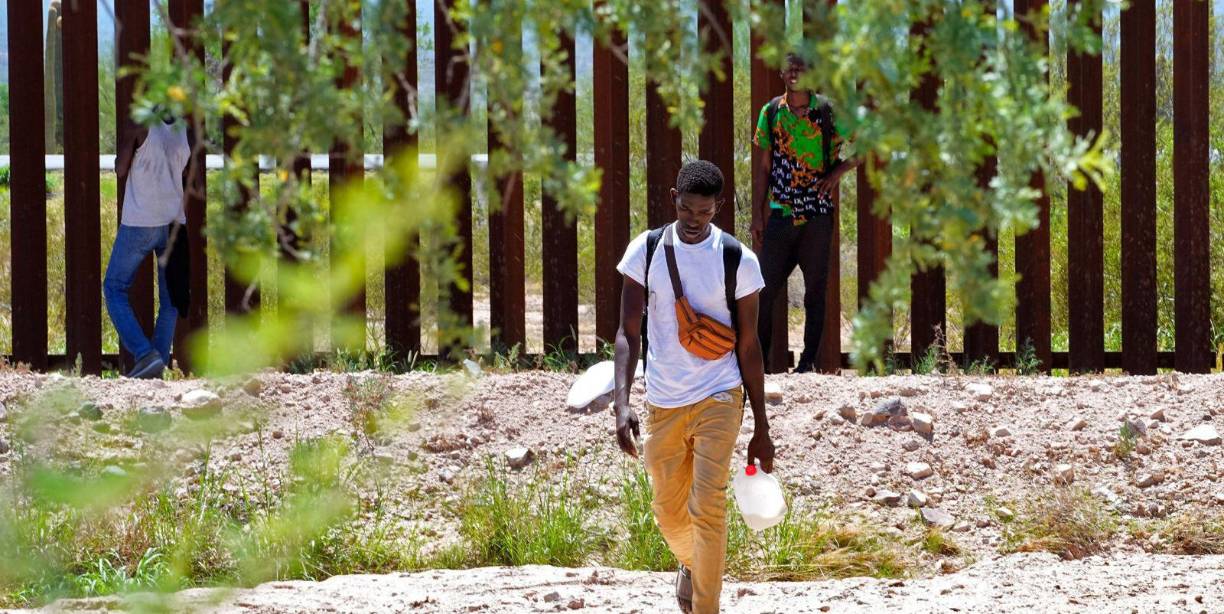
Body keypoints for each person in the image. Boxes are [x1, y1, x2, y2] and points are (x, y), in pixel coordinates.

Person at [613, 160, 775, 613]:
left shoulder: (738, 260)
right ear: (673, 199)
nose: (693, 220)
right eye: (686, 208)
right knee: (668, 513)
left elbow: (749, 346)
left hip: (720, 393)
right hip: (663, 399)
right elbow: (627, 332)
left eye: (704, 212)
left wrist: (761, 425)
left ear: (718, 207)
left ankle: (706, 607)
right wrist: (621, 404)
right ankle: (692, 563)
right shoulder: (646, 250)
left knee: (708, 506)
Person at [750, 52, 861, 373]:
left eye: (802, 68)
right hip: (781, 213)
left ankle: (807, 364)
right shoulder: (772, 112)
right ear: (781, 73)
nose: (795, 74)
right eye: (790, 69)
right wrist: (757, 214)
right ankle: (761, 365)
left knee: (815, 292)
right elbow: (764, 167)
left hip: (817, 215)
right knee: (763, 290)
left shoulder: (828, 111)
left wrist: (838, 172)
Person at [104, 108, 190, 379]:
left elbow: (120, 169)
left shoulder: (139, 122)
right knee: (170, 300)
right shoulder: (182, 128)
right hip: (174, 223)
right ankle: (157, 367)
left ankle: (144, 354)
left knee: (114, 288)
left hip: (142, 221)